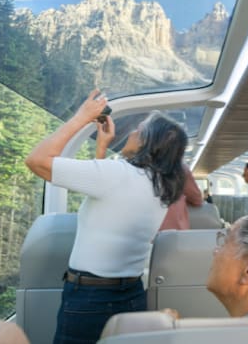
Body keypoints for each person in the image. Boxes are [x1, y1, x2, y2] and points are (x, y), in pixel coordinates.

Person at [25, 89, 189, 344]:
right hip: (132, 294)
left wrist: (81, 117)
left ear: (148, 142)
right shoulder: (161, 186)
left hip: (90, 297)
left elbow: (37, 160)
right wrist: (101, 147)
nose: (132, 132)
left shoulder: (117, 175)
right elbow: (106, 200)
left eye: (139, 129)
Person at [158, 164, 203, 231]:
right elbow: (197, 200)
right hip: (175, 232)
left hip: (144, 235)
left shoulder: (139, 169)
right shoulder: (180, 169)